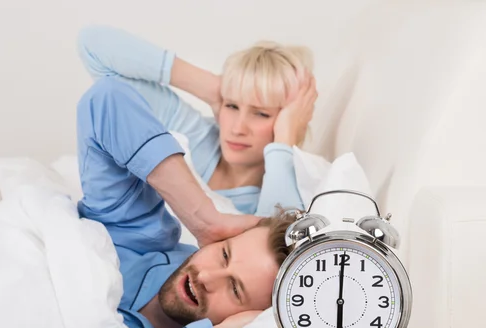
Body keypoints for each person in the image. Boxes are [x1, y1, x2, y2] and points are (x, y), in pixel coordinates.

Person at [50, 72, 299, 328]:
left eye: (235, 289)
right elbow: (106, 98)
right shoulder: (139, 233)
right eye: (224, 253)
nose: (208, 276)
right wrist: (203, 218)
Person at [76, 25, 317, 217]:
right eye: (232, 106)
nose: (237, 128)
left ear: (291, 120)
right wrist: (211, 87)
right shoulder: (199, 139)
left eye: (261, 113)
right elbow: (92, 46)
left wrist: (285, 141)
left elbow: (277, 240)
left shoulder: (284, 188)